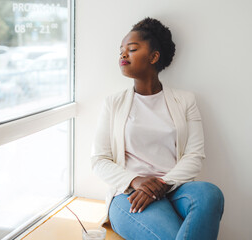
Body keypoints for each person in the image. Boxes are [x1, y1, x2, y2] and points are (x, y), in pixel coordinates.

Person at [91, 17, 224, 240]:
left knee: (211, 194)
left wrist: (162, 184)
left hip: (174, 188)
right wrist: (137, 181)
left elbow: (194, 155)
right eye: (121, 50)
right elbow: (99, 160)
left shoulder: (185, 100)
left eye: (132, 49)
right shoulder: (113, 103)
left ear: (154, 57)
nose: (123, 55)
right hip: (130, 195)